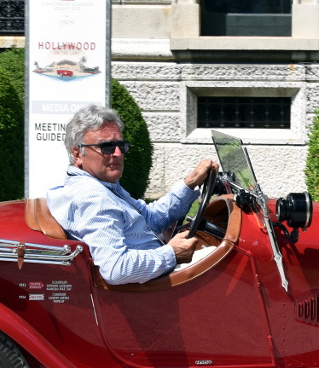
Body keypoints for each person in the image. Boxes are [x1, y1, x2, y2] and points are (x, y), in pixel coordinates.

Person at [47, 104, 217, 284]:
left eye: (121, 145)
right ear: (77, 153)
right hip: (150, 292)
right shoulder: (93, 197)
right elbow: (116, 269)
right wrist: (172, 253)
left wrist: (190, 183)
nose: (118, 154)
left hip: (154, 279)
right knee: (227, 259)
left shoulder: (102, 185)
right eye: (106, 147)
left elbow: (150, 219)